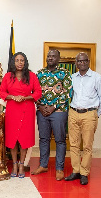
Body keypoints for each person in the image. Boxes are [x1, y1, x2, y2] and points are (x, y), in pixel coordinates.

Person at [65, 52, 101, 185]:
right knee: (73, 144)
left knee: (87, 146)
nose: (82, 63)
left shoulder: (97, 78)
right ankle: (76, 170)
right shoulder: (72, 78)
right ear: (76, 63)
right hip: (73, 113)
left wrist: (95, 114)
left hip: (89, 114)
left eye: (84, 61)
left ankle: (84, 173)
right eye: (79, 61)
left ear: (88, 62)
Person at [31, 49, 72, 181]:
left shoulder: (64, 73)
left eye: (53, 56)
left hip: (58, 111)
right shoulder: (40, 73)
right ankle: (43, 165)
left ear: (58, 59)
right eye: (49, 56)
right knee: (43, 139)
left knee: (60, 140)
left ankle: (59, 168)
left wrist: (53, 107)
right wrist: (40, 106)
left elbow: (67, 93)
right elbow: (34, 91)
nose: (50, 58)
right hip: (42, 111)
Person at [0, 52, 42, 178]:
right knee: (13, 138)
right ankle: (15, 164)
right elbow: (2, 92)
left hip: (27, 109)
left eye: (22, 60)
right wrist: (12, 97)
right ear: (13, 62)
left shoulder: (32, 76)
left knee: (24, 138)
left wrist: (25, 97)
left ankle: (22, 165)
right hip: (12, 109)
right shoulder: (8, 76)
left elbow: (38, 92)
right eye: (17, 60)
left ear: (25, 62)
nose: (19, 63)